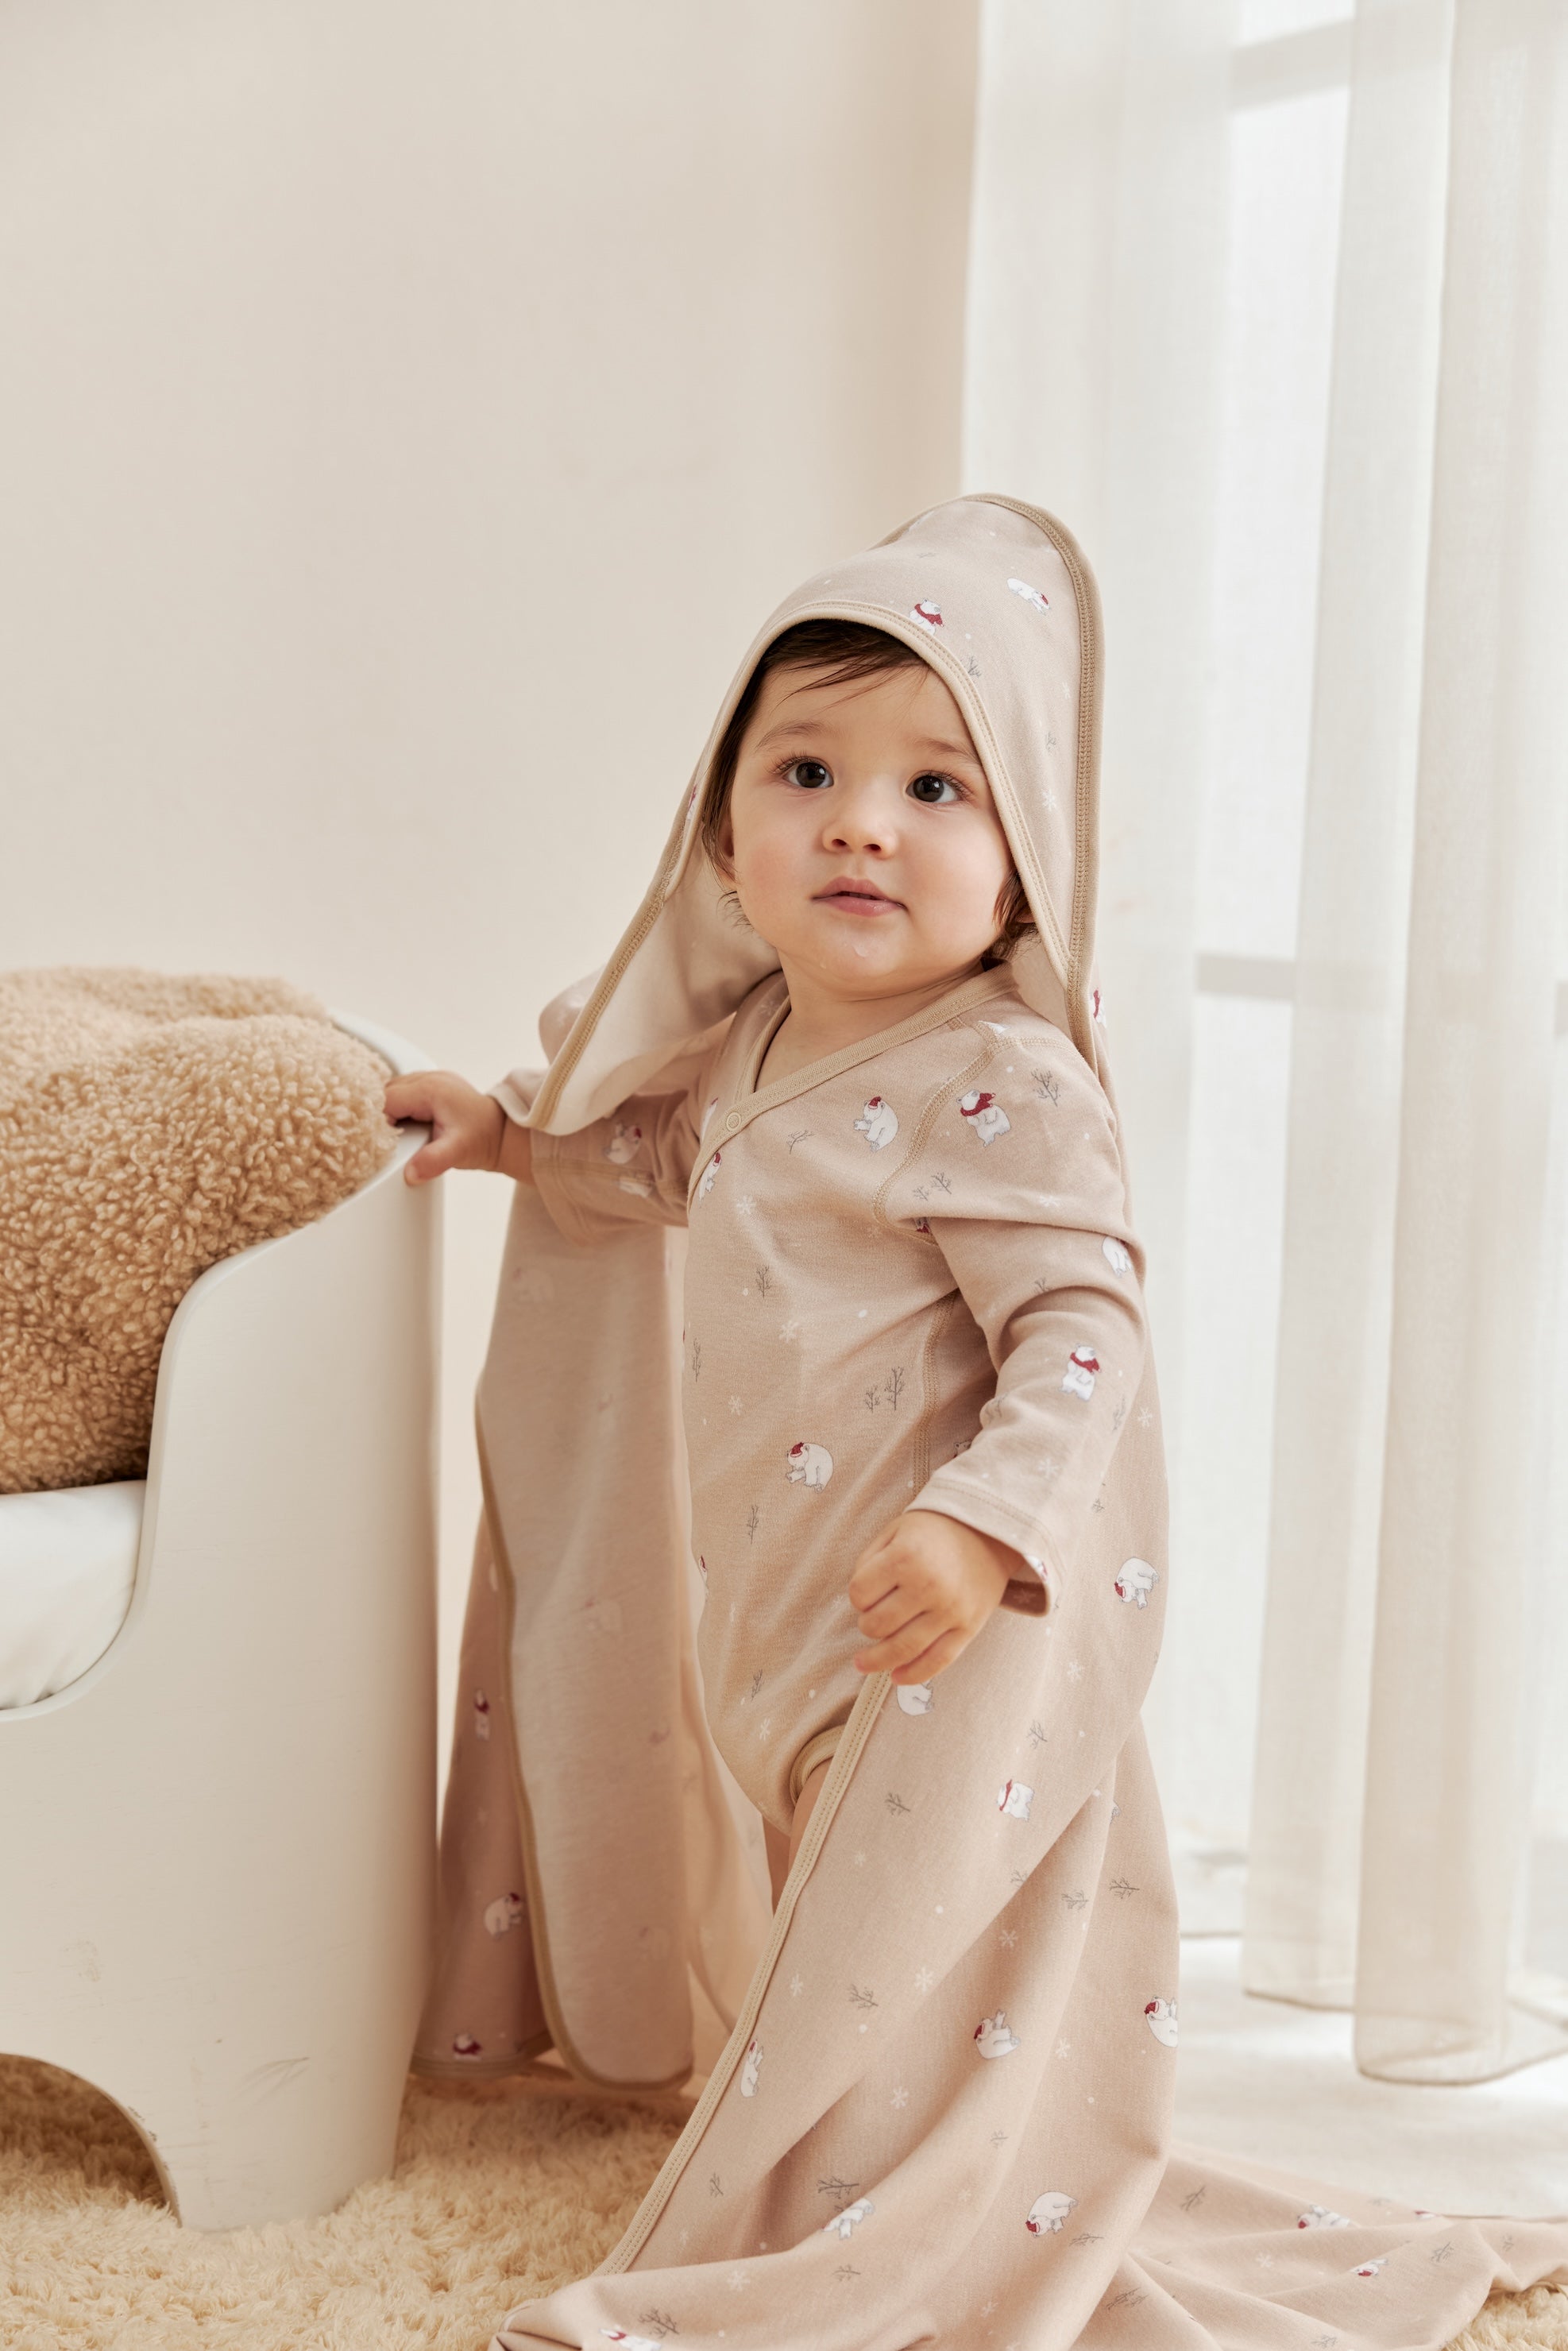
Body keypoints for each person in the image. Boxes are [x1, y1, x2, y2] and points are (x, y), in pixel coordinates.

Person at [388, 497, 1568, 2350]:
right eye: (809, 769)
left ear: (1027, 863)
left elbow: (1083, 1325)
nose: (864, 819)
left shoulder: (1000, 1081)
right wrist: (509, 1135)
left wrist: (986, 1522)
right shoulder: (756, 1043)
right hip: (790, 1611)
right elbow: (656, 1161)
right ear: (723, 833)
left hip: (953, 1632)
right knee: (854, 1948)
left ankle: (860, 2253)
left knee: (919, 1935)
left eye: (941, 788)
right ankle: (890, 2179)